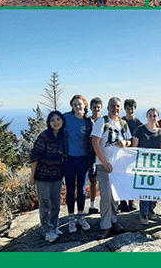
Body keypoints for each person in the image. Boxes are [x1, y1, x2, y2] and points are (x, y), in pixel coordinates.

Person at [91, 97, 131, 239]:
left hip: (118, 167)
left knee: (115, 196)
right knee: (106, 196)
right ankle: (105, 226)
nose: (115, 108)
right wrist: (104, 162)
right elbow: (95, 142)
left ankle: (114, 221)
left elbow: (129, 140)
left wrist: (125, 143)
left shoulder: (123, 124)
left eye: (118, 106)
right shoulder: (102, 121)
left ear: (121, 109)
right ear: (108, 108)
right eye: (112, 106)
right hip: (104, 166)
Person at [29, 111, 67, 243]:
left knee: (56, 204)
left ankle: (54, 227)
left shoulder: (63, 136)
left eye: (58, 119)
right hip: (43, 177)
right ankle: (47, 230)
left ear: (62, 121)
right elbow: (34, 156)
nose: (56, 123)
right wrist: (32, 176)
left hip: (57, 176)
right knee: (45, 204)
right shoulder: (44, 136)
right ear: (49, 123)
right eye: (52, 120)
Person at [63, 95, 93, 233]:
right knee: (70, 189)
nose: (77, 107)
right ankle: (70, 220)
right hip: (69, 158)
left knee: (81, 189)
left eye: (79, 104)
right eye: (74, 104)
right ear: (72, 106)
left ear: (84, 105)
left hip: (83, 159)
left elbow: (94, 141)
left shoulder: (88, 122)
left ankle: (80, 217)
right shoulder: (66, 118)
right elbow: (54, 124)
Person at [132, 108, 161, 225]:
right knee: (144, 189)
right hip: (142, 164)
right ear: (147, 116)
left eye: (155, 115)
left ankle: (151, 210)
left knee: (154, 189)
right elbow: (134, 148)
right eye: (150, 115)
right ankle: (143, 214)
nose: (152, 117)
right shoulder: (140, 129)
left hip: (155, 165)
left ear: (158, 117)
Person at [120, 99, 144, 213]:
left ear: (135, 109)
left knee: (132, 178)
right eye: (128, 108)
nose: (130, 110)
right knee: (121, 178)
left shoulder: (139, 124)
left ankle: (132, 201)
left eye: (132, 108)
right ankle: (123, 202)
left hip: (134, 155)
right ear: (125, 109)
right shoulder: (120, 121)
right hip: (121, 153)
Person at [87, 97, 103, 215]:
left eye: (98, 107)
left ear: (101, 108)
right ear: (91, 108)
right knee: (93, 181)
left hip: (102, 154)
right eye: (94, 107)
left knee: (103, 181)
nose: (96, 109)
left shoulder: (105, 121)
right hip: (90, 154)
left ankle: (105, 203)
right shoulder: (87, 121)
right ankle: (92, 205)